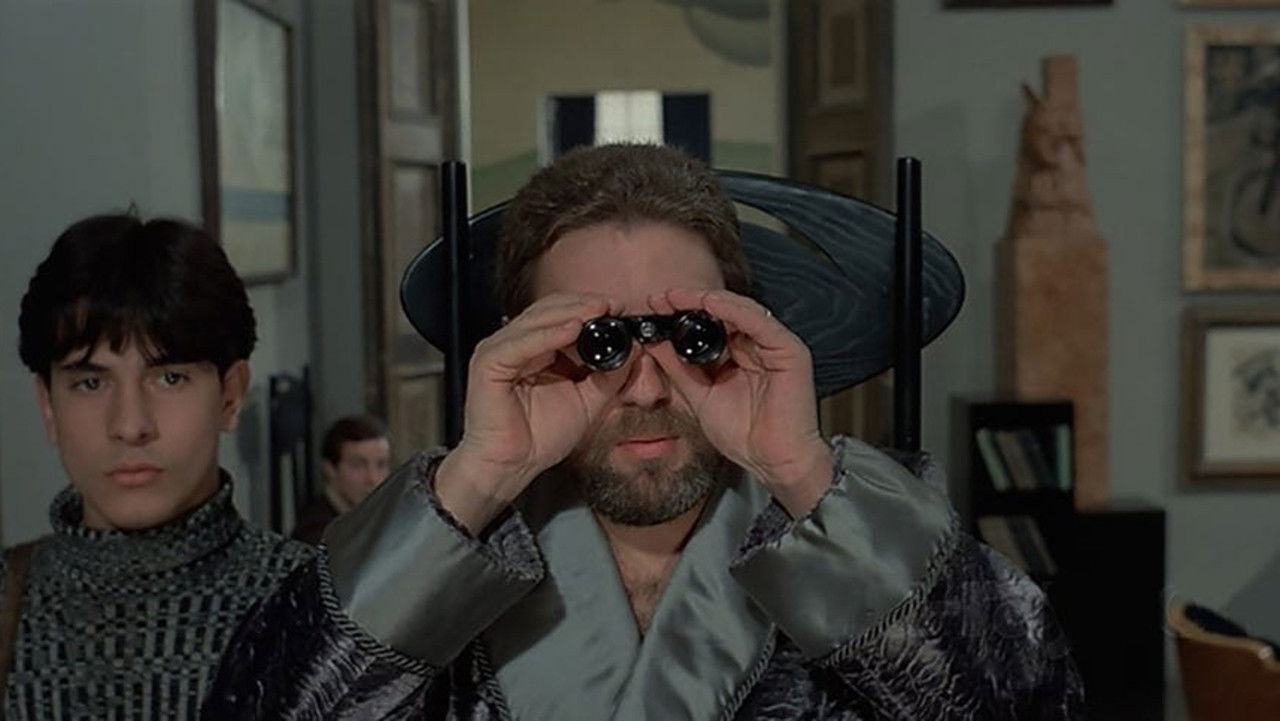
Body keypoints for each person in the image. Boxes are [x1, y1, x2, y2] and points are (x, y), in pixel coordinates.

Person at [204, 145, 1082, 720]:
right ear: (522, 344)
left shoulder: (866, 530)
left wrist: (802, 472)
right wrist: (477, 478)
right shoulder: (441, 553)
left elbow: (1037, 703)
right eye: (595, 340)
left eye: (689, 334)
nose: (647, 383)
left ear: (741, 328)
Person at [5, 214, 313, 720]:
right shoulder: (9, 602)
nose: (130, 426)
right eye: (90, 383)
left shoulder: (314, 608)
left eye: (169, 378)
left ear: (230, 396)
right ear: (47, 405)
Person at [292, 414, 391, 545]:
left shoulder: (386, 519)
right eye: (357, 465)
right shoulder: (316, 533)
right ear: (330, 469)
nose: (373, 478)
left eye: (381, 464)